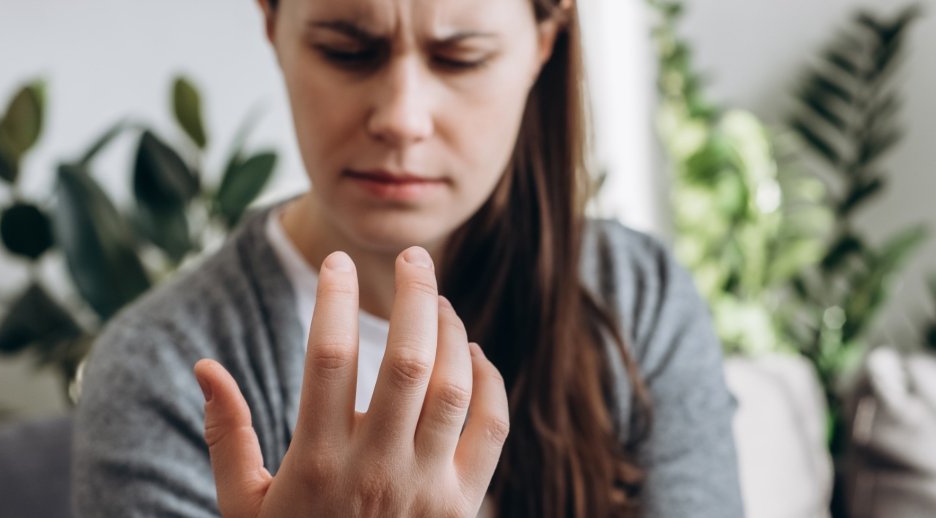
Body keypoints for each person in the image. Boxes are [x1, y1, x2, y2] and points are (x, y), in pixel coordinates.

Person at [72, 0, 744, 516]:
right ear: (272, 26)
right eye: (346, 51)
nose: (401, 117)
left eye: (461, 58)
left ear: (544, 40)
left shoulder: (639, 300)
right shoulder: (159, 373)